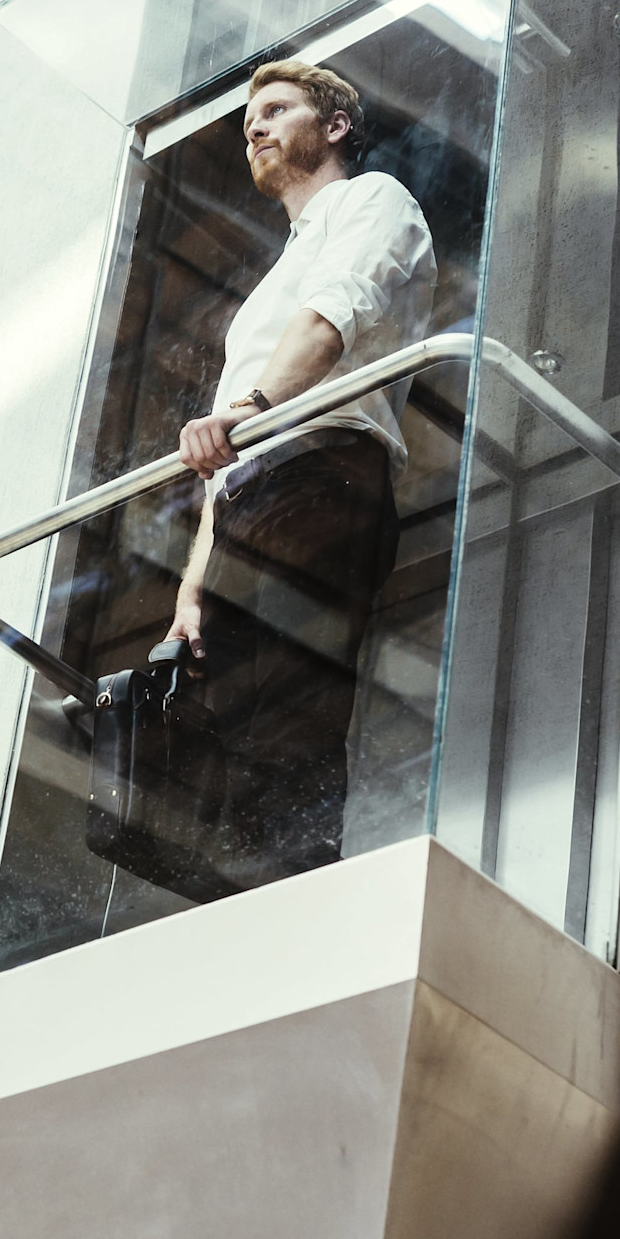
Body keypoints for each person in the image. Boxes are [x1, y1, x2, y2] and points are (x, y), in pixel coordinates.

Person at [165, 59, 436, 886]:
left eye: (277, 109)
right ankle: (251, 903)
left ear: (336, 126)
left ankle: (293, 895)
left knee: (289, 713)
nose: (254, 125)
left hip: (324, 470)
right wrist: (191, 587)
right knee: (234, 724)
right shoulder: (270, 286)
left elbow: (331, 321)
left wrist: (252, 407)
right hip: (253, 493)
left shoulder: (373, 201)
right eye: (250, 117)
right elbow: (222, 459)